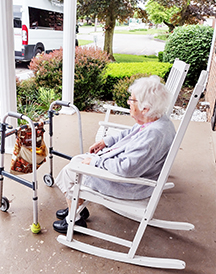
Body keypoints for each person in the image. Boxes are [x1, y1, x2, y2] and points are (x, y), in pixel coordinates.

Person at [53, 75, 176, 234]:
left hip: (130, 185)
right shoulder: (156, 120)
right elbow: (130, 133)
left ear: (145, 108)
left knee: (70, 172)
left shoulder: (153, 135)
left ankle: (74, 220)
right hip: (133, 176)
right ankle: (77, 207)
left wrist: (95, 163)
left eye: (132, 101)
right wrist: (106, 141)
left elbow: (127, 169)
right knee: (77, 160)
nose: (129, 103)